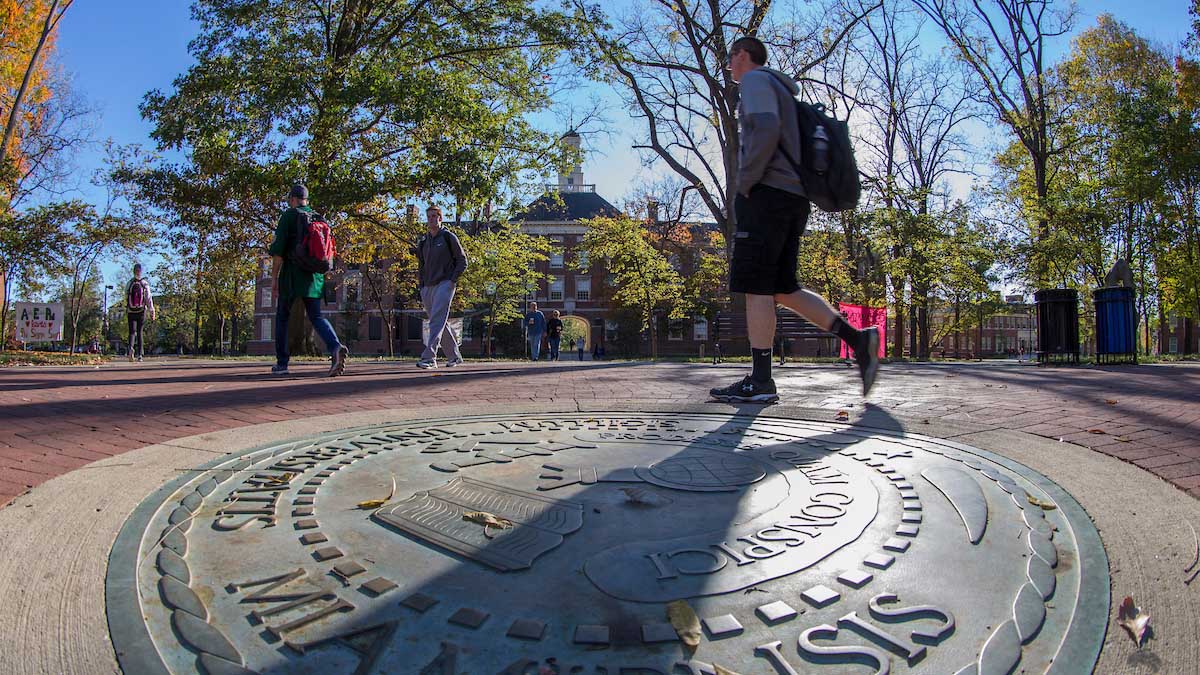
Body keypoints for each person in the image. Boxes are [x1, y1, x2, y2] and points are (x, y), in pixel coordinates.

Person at [709, 37, 879, 404]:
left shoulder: (755, 81)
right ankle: (859, 340)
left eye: (731, 58)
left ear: (743, 54)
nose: (729, 66)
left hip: (767, 194)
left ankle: (760, 380)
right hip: (794, 198)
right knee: (783, 288)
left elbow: (766, 130)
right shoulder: (782, 89)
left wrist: (746, 183)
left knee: (755, 286)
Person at [268, 183, 348, 377]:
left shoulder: (289, 215)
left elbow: (278, 252)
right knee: (316, 316)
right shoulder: (319, 218)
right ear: (307, 200)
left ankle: (282, 363)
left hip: (292, 276)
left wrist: (274, 278)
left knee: (282, 317)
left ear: (293, 199)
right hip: (315, 277)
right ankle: (335, 346)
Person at [414, 205, 468, 368]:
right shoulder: (423, 241)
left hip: (445, 283)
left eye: (434, 216)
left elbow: (462, 261)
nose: (431, 219)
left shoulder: (448, 237)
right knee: (438, 321)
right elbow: (421, 266)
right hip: (427, 286)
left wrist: (452, 280)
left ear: (440, 218)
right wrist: (421, 285)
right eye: (428, 216)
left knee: (436, 320)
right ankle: (454, 356)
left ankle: (429, 357)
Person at [125, 263, 156, 362]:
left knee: (132, 332)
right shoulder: (144, 283)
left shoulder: (129, 283)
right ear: (141, 271)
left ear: (133, 271)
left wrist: (128, 307)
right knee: (140, 332)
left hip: (131, 310)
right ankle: (140, 355)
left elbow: (126, 295)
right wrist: (152, 310)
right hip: (141, 310)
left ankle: (130, 348)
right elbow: (148, 298)